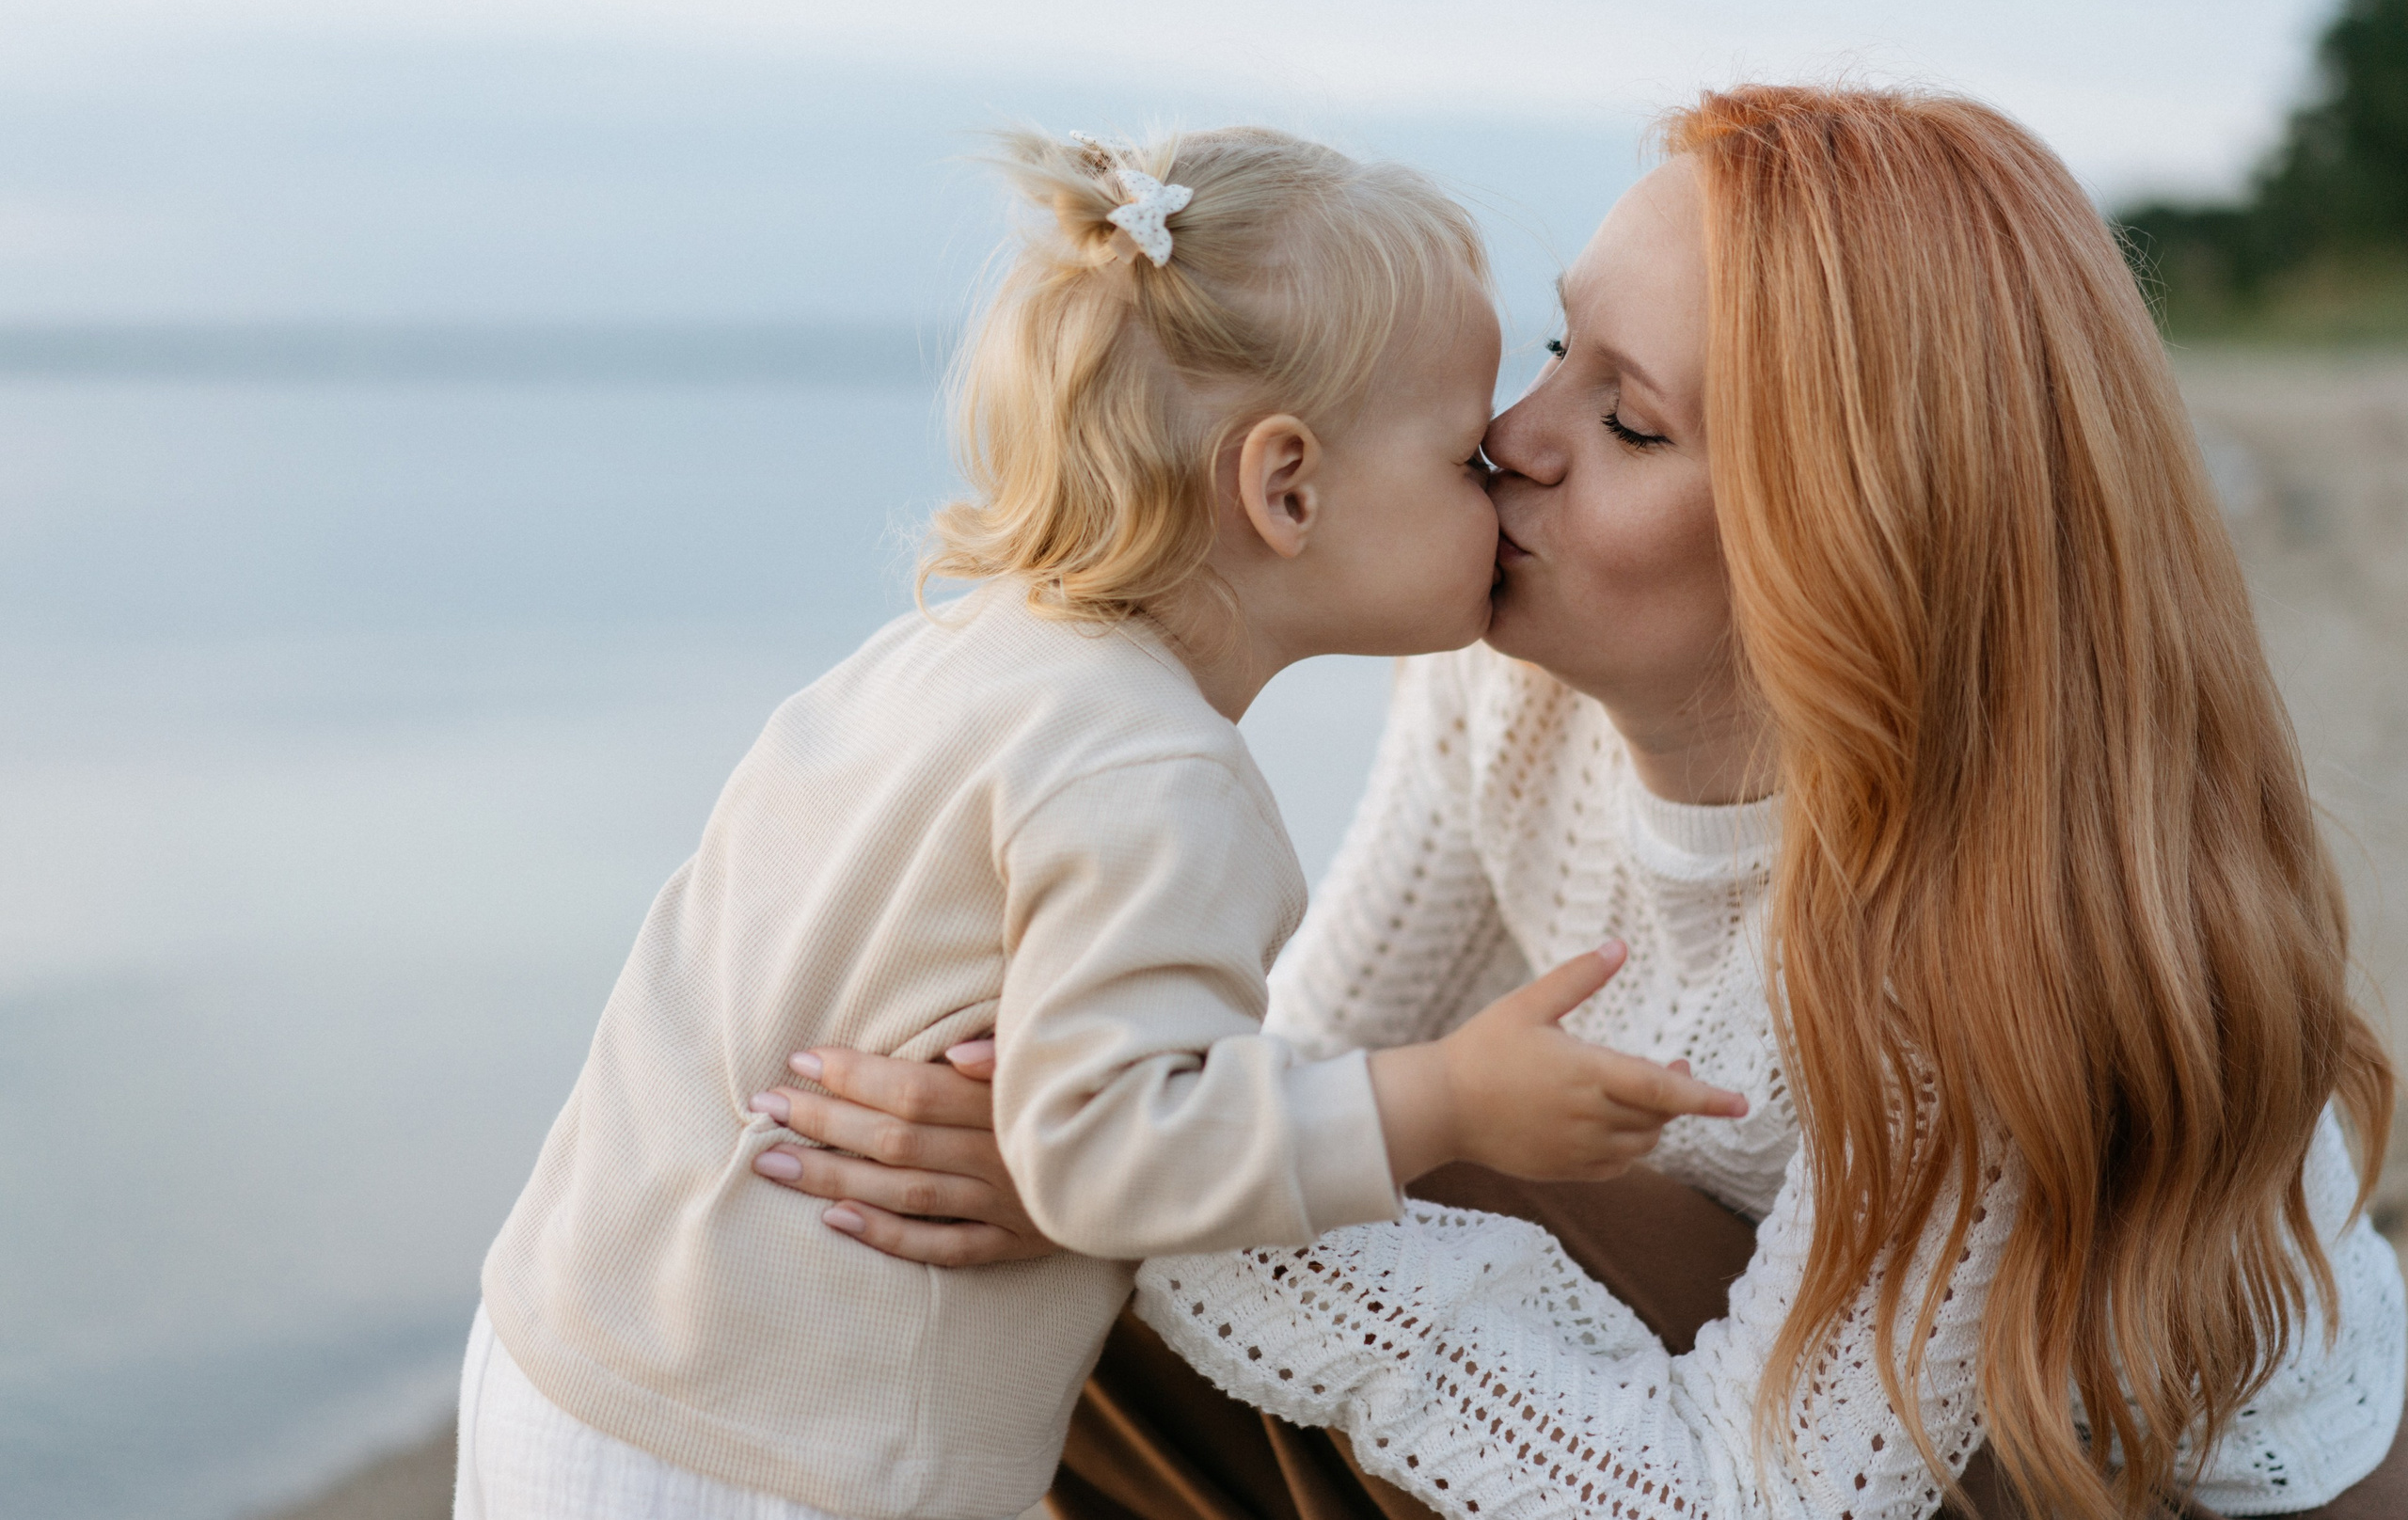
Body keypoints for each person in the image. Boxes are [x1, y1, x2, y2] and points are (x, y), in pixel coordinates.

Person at [754, 88, 2408, 1519]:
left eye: (1627, 420)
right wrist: (1090, 1151)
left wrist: (1126, 1207)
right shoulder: (1506, 691)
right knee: (1044, 1148)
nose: (1510, 441)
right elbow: (1304, 1054)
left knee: (1304, 1196)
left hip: (2110, 1470)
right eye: (1559, 352)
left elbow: (1755, 1494)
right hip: (1781, 1355)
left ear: (1855, 548)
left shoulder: (1984, 934)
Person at [456, 125, 1749, 1520]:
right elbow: (1096, 1157)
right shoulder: (1162, 774)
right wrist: (1445, 1099)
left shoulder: (952, 661)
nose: (1503, 457)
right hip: (787, 1463)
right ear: (1287, 488)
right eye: (1454, 452)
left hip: (574, 1354)